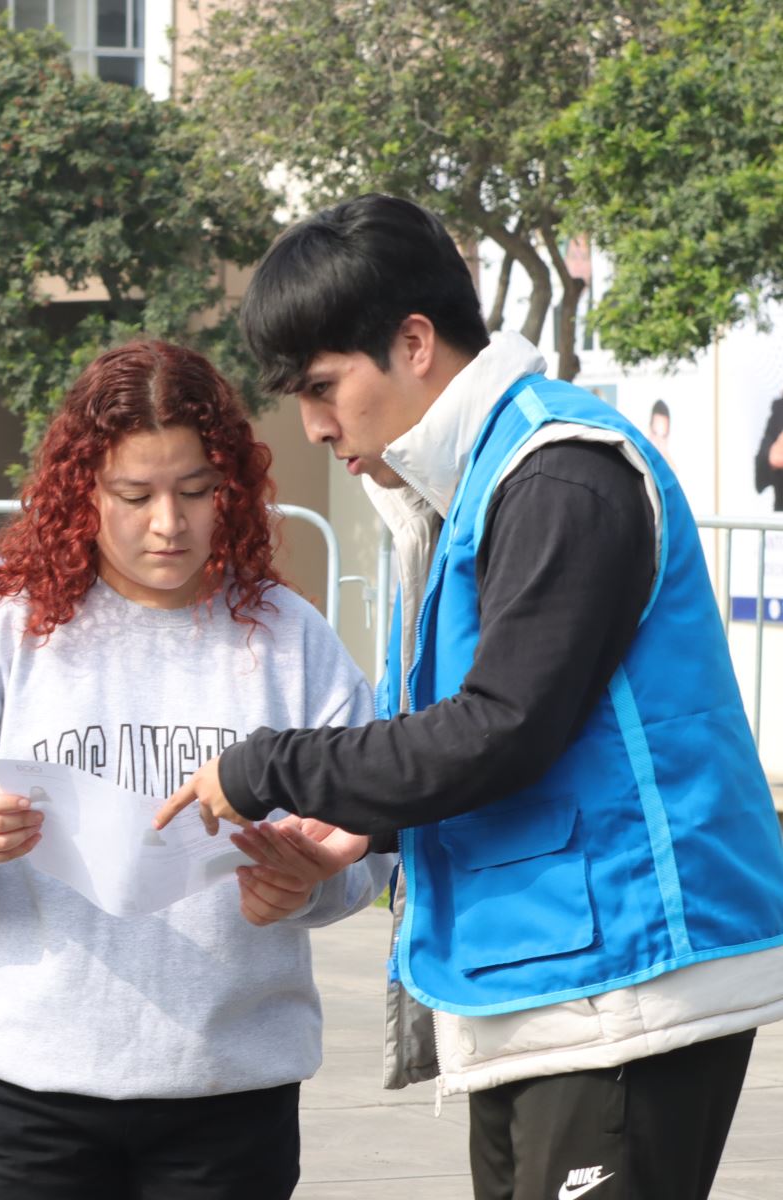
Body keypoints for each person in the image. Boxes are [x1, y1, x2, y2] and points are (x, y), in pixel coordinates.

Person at [161, 193, 783, 1200]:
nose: (314, 426)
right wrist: (363, 831)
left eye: (323, 388)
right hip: (548, 977)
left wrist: (266, 766)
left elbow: (502, 730)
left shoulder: (561, 472)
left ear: (414, 342)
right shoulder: (469, 485)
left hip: (626, 976)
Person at [0, 339, 392, 1199]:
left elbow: (369, 841)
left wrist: (311, 885)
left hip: (229, 1092)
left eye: (195, 493)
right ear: (82, 492)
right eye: (134, 496)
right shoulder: (5, 633)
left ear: (233, 489)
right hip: (26, 1092)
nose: (168, 524)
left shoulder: (292, 640)